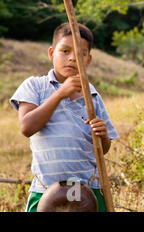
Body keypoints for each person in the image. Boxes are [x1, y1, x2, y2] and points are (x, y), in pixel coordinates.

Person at [10, 22, 119, 212]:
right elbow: (26, 127)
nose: (72, 59)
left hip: (88, 191)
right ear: (52, 53)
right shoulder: (35, 86)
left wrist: (103, 135)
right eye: (65, 51)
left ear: (88, 60)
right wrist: (60, 93)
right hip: (47, 190)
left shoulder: (92, 96)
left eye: (80, 54)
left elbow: (103, 150)